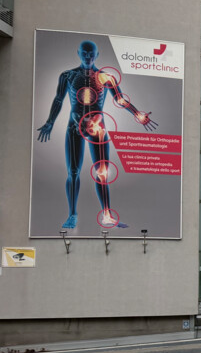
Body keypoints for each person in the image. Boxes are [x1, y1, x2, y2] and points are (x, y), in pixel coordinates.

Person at [36, 40, 158, 229]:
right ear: (78, 53)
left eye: (91, 54)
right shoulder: (67, 75)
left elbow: (119, 99)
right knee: (73, 172)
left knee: (102, 173)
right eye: (84, 53)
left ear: (97, 55)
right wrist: (50, 122)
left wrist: (137, 114)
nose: (88, 57)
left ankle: (107, 215)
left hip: (98, 128)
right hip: (75, 127)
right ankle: (72, 215)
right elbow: (59, 99)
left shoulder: (106, 77)